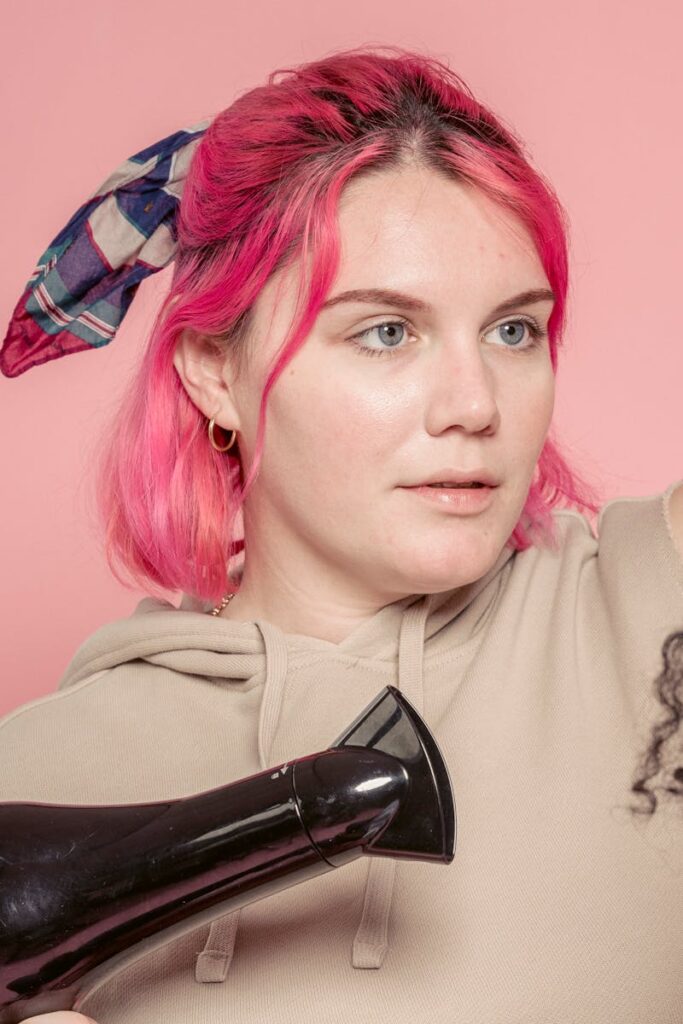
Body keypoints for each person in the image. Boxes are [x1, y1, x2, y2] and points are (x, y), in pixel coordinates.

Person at [2, 44, 682, 1024]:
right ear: (212, 371)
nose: (472, 404)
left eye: (512, 330)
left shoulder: (643, 614)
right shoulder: (37, 775)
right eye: (385, 331)